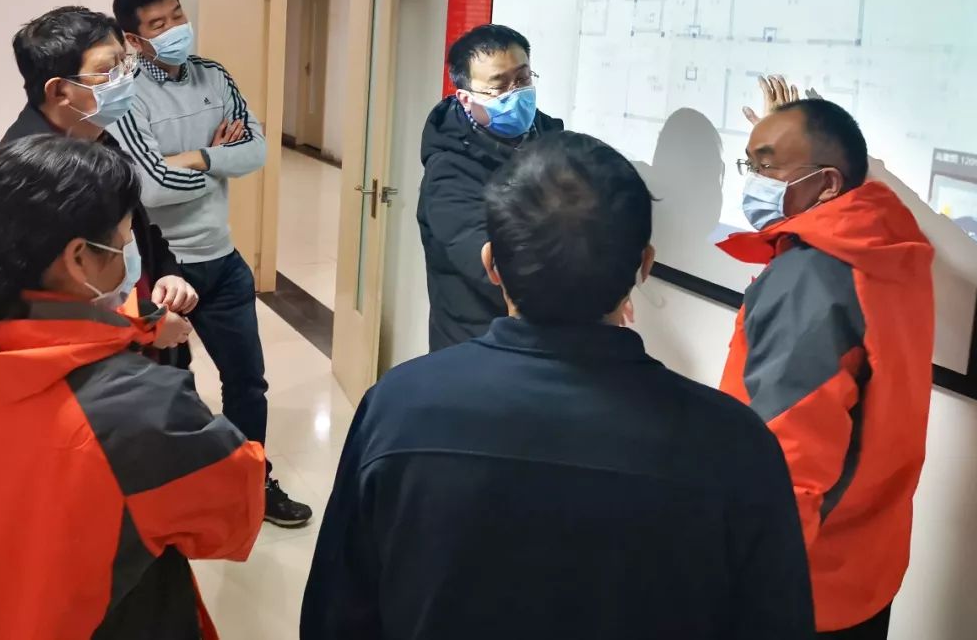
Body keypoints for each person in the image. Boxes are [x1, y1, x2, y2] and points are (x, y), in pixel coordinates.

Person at [302, 132, 815, 640]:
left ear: (491, 264)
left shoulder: (398, 409)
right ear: (645, 264)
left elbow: (336, 615)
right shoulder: (736, 444)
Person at [0, 135, 266, 640]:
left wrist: (135, 326)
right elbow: (233, 516)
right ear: (78, 258)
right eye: (122, 239)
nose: (130, 252)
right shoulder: (142, 411)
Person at [720, 87, 935, 639]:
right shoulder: (885, 249)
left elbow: (789, 461)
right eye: (749, 163)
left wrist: (746, 585)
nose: (753, 180)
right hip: (864, 563)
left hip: (803, 584)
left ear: (828, 183)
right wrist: (792, 133)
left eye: (766, 165)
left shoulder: (811, 280)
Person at [111, 0, 311, 527]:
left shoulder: (214, 75)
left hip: (222, 259)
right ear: (134, 39)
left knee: (248, 382)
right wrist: (217, 160)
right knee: (171, 389)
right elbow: (149, 189)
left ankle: (251, 482)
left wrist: (196, 157)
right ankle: (183, 492)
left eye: (177, 15)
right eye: (158, 24)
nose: (175, 29)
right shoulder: (127, 94)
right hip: (162, 270)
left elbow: (256, 151)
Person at [2, 6, 196, 361]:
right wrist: (145, 326)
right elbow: (42, 308)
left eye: (125, 62)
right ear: (60, 91)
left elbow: (139, 226)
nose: (126, 78)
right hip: (97, 359)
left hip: (144, 325)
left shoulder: (96, 135)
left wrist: (167, 274)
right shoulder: (26, 178)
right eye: (109, 70)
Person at [418, 24, 563, 352]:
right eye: (499, 86)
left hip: (544, 337)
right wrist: (592, 289)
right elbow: (491, 260)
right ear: (466, 99)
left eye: (523, 78)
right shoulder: (449, 172)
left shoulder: (553, 141)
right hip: (475, 341)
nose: (517, 93)